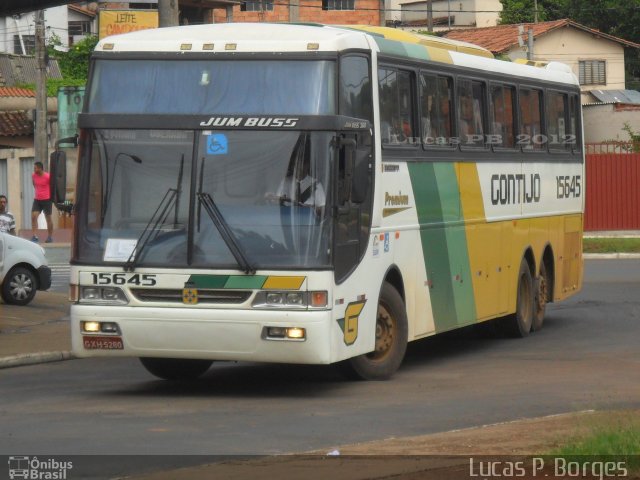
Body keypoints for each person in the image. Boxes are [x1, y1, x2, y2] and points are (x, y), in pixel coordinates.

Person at [31, 161, 54, 243]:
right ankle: (34, 236)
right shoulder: (33, 176)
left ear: (40, 168)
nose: (34, 169)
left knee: (48, 218)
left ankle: (50, 236)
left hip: (47, 199)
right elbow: (34, 184)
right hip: (37, 199)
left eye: (35, 168)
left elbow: (52, 187)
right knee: (33, 216)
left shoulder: (48, 176)